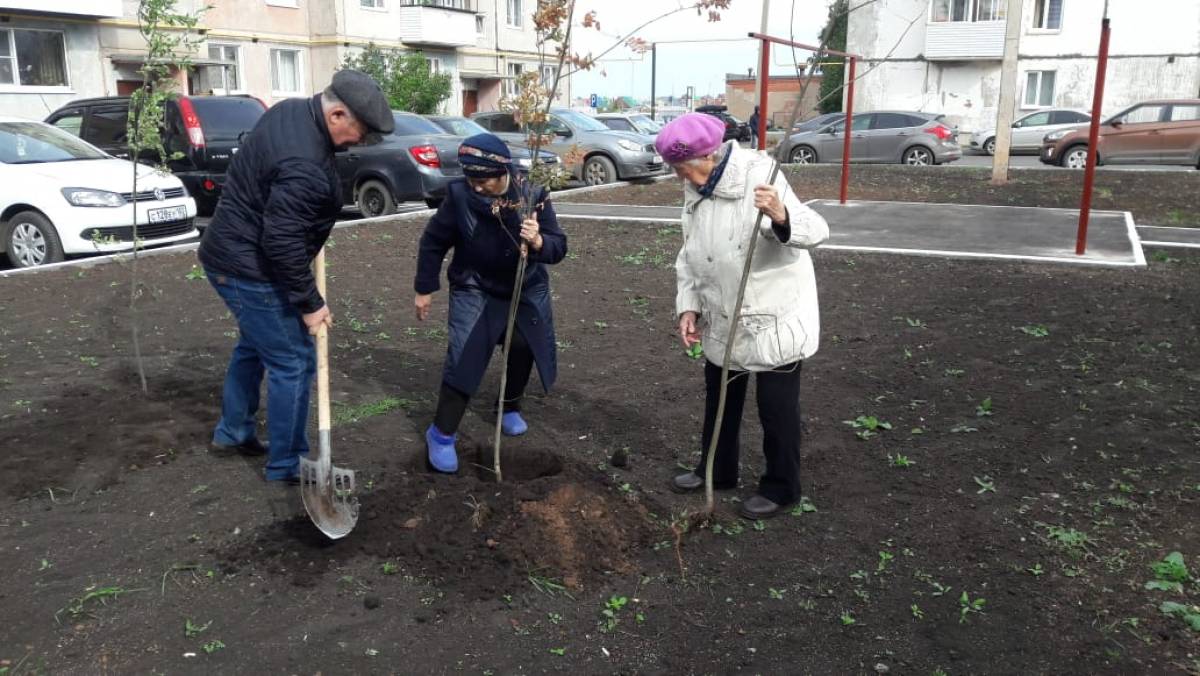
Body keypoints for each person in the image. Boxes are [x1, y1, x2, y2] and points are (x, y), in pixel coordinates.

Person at [198, 70, 394, 484]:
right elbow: (281, 241)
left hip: (231, 252)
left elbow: (277, 206)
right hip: (249, 267)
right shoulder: (303, 160)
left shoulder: (291, 112)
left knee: (253, 347)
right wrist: (310, 303)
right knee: (293, 361)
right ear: (337, 112)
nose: (360, 142)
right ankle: (287, 464)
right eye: (360, 132)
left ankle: (233, 433)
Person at [658, 112, 829, 519]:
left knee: (776, 408)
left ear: (710, 154)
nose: (682, 177)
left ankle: (782, 487)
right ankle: (717, 469)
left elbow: (817, 231)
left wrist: (781, 214)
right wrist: (689, 305)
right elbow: (691, 253)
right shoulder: (696, 189)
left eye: (685, 168)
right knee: (720, 398)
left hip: (773, 314)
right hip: (722, 312)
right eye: (676, 171)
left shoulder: (760, 174)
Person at [413, 133, 568, 473]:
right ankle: (441, 434)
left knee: (525, 345)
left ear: (504, 172)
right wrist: (425, 287)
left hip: (524, 287)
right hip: (475, 286)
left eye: (482, 180)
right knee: (465, 353)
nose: (477, 187)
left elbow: (559, 246)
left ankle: (508, 407)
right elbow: (433, 242)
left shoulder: (533, 195)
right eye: (471, 180)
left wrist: (539, 240)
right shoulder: (458, 197)